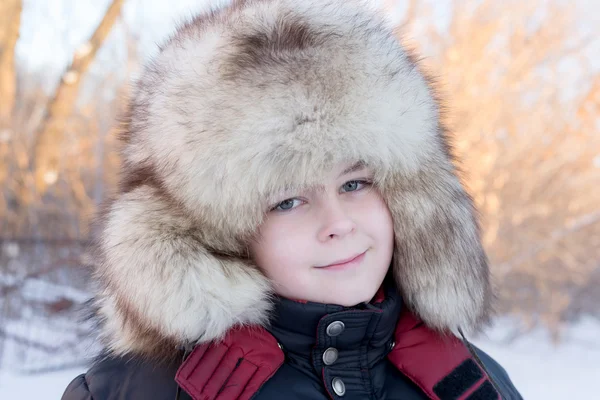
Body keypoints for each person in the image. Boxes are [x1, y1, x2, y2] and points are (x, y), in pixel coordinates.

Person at [62, 0, 522, 399]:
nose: (338, 224)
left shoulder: (473, 384)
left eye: (355, 184)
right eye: (287, 202)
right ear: (215, 236)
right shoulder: (137, 392)